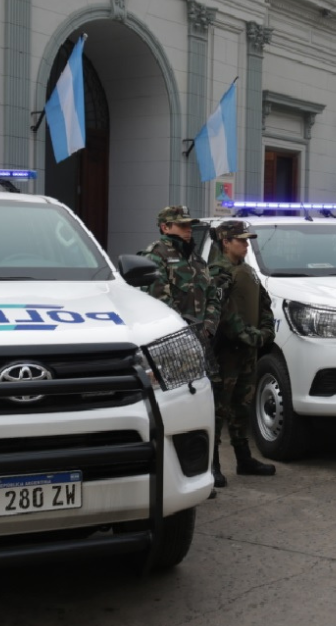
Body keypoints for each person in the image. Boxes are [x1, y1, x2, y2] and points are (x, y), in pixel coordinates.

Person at [139, 206, 225, 493]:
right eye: (182, 225)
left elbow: (212, 294)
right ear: (165, 227)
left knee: (207, 406)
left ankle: (208, 469)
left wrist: (209, 325)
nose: (189, 229)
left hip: (201, 343)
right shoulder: (154, 256)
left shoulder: (197, 258)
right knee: (179, 410)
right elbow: (157, 302)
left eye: (189, 225)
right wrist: (184, 333)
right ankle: (176, 477)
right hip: (171, 347)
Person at [208, 220, 276, 481]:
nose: (246, 244)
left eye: (247, 240)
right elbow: (223, 314)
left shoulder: (246, 271)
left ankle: (243, 459)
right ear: (226, 242)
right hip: (226, 352)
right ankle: (212, 465)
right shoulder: (217, 272)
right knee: (219, 409)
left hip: (248, 350)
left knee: (242, 406)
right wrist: (251, 336)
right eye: (241, 240)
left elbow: (264, 303)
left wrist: (266, 331)